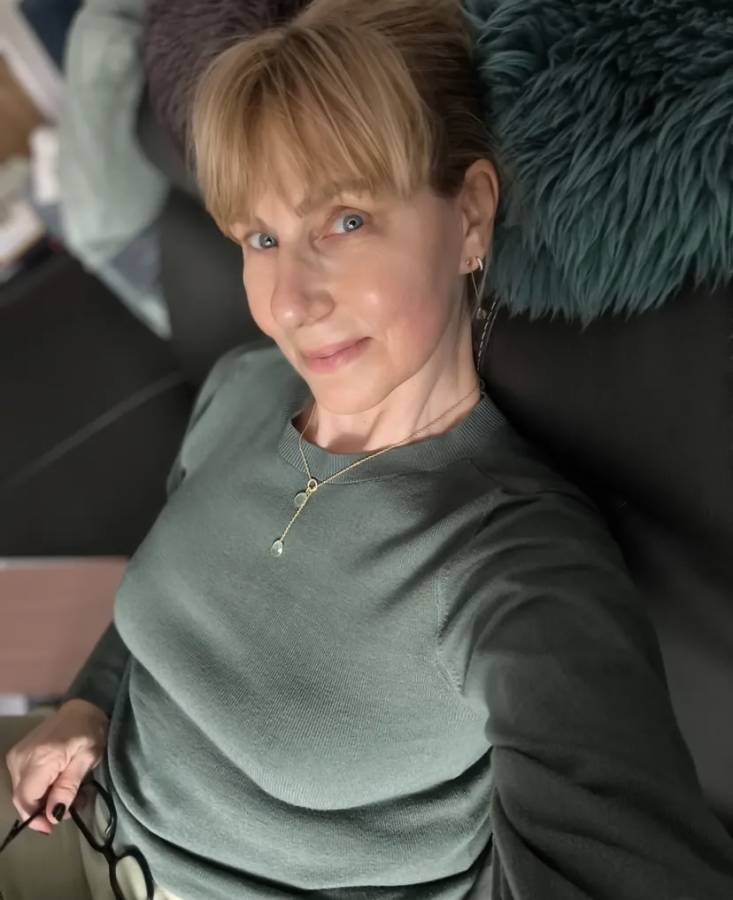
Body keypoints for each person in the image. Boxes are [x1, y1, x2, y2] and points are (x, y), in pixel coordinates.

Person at [3, 0, 733, 897]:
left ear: (469, 215)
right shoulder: (243, 386)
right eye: (261, 237)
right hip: (59, 808)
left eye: (345, 221)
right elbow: (161, 609)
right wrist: (89, 700)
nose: (289, 301)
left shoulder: (511, 565)